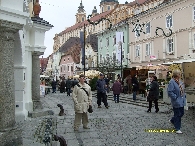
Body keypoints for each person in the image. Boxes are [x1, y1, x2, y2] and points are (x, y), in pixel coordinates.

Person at [167, 69, 185, 134]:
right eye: (179, 74)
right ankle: (177, 128)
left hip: (181, 100)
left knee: (182, 113)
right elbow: (170, 91)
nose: (180, 75)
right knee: (177, 114)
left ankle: (172, 120)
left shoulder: (180, 81)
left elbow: (183, 89)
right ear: (176, 74)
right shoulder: (172, 82)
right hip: (176, 101)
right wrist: (175, 97)